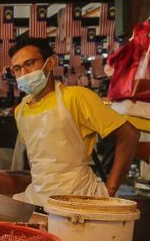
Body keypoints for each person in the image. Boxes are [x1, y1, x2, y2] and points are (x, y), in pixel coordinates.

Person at [9, 36, 139, 206]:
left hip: (79, 198)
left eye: (29, 64)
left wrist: (111, 188)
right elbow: (37, 160)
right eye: (17, 69)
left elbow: (129, 134)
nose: (23, 73)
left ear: (50, 62)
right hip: (38, 198)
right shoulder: (21, 110)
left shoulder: (77, 97)